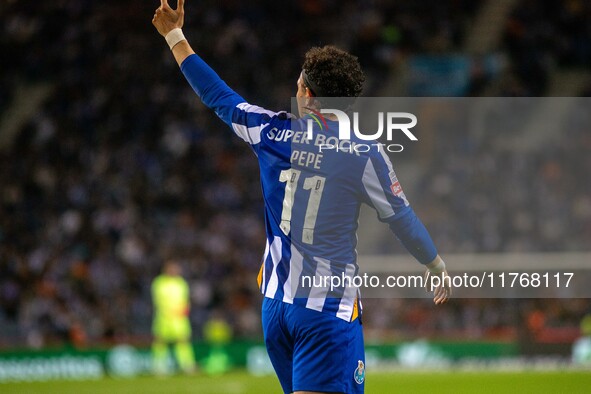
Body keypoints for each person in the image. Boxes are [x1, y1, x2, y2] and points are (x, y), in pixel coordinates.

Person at [152, 1, 451, 392]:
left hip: (276, 308)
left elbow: (218, 96)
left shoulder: (271, 132)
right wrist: (435, 265)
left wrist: (175, 36)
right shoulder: (365, 154)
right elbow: (402, 219)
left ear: (308, 95)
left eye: (297, 86)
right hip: (326, 313)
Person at [151, 260, 196, 374]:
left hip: (180, 319)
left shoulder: (181, 283)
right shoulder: (159, 282)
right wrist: (170, 311)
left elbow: (186, 300)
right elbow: (159, 301)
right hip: (164, 318)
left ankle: (187, 365)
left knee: (183, 341)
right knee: (160, 342)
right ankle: (159, 366)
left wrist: (186, 309)